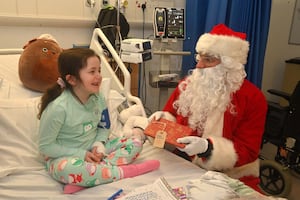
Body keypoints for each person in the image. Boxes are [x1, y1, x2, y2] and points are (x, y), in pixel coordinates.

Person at [150, 24, 267, 192]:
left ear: (228, 64)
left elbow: (248, 150)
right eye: (200, 58)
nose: (199, 66)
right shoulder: (187, 86)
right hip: (184, 165)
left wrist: (208, 148)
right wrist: (161, 120)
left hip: (230, 176)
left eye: (208, 60)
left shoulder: (252, 98)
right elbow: (171, 115)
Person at [38, 48, 159, 194]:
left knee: (136, 142)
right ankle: (125, 172)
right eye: (92, 71)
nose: (99, 76)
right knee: (68, 169)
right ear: (71, 79)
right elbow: (46, 147)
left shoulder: (99, 99)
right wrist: (81, 155)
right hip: (66, 158)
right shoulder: (58, 108)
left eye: (99, 70)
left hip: (95, 153)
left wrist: (99, 144)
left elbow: (104, 127)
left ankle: (89, 178)